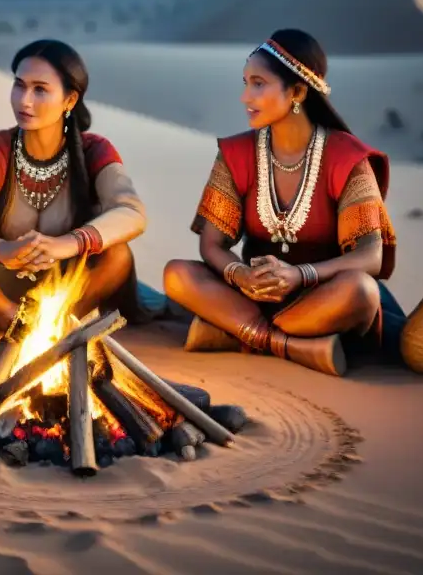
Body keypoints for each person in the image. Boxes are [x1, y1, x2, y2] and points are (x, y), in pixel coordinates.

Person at [163, 29, 398, 376]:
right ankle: (290, 345)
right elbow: (211, 244)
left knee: (362, 292)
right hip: (254, 296)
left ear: (298, 91)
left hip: (322, 297)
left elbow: (370, 257)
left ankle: (239, 335)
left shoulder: (346, 159)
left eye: (258, 84)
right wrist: (240, 275)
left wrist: (298, 276)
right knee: (176, 275)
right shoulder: (236, 154)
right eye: (245, 82)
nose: (245, 96)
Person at [0, 39, 147, 341]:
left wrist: (68, 244)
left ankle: (53, 319)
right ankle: (8, 317)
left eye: (40, 89)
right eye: (19, 85)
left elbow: (132, 212)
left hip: (71, 281)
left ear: (70, 100)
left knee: (118, 255)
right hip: (2, 278)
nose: (24, 101)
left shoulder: (95, 149)